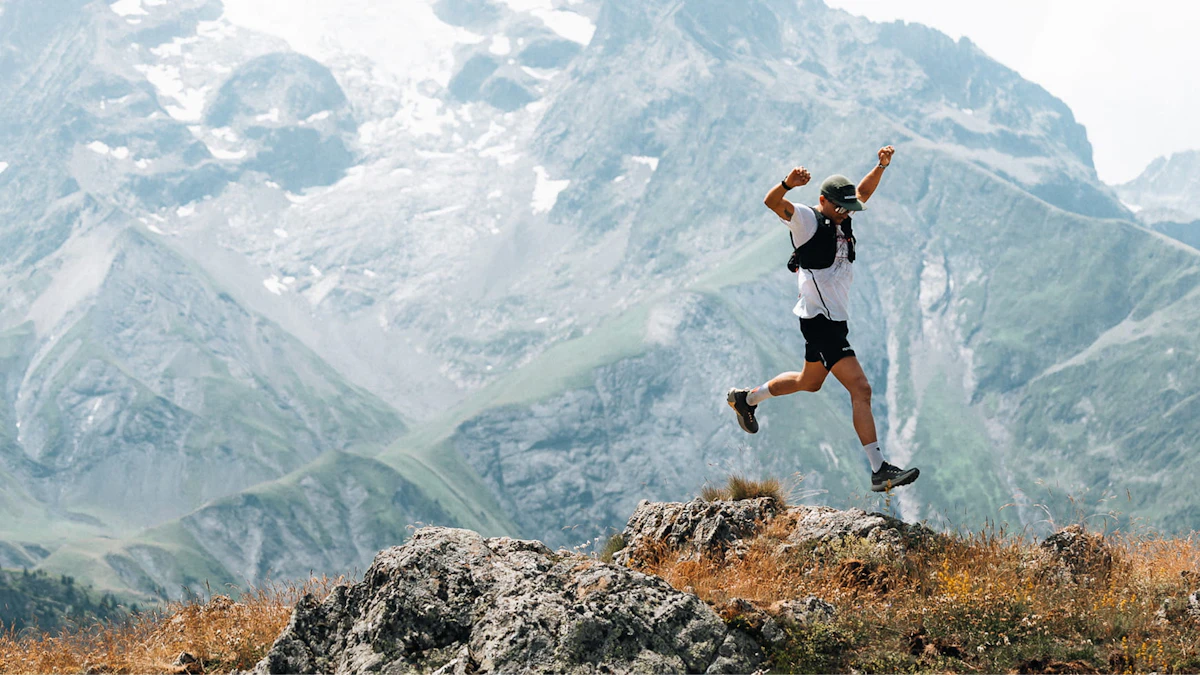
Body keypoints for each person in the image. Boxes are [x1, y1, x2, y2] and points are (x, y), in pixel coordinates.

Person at [726, 146, 920, 493]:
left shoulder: (843, 213)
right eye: (841, 208)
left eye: (850, 209)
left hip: (832, 319)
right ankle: (879, 470)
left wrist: (880, 166)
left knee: (809, 381)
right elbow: (772, 202)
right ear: (824, 201)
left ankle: (747, 399)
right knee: (861, 388)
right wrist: (787, 183)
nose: (848, 213)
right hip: (820, 320)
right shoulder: (806, 219)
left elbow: (862, 193)